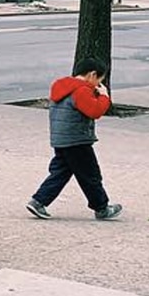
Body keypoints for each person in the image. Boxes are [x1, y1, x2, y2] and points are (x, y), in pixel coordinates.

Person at [26, 57, 122, 220]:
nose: (99, 84)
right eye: (99, 80)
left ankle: (38, 201)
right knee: (90, 175)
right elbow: (94, 111)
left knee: (60, 173)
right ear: (92, 75)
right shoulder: (81, 90)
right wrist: (104, 97)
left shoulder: (62, 87)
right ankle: (102, 207)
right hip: (77, 140)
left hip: (61, 139)